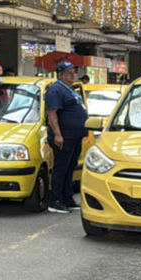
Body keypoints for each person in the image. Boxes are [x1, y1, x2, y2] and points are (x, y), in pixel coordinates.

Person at [45, 60, 87, 214]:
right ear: (60, 75)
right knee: (61, 168)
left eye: (73, 73)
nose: (72, 76)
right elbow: (52, 114)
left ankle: (67, 198)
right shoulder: (55, 90)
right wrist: (58, 134)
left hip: (75, 136)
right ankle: (56, 200)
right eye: (69, 73)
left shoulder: (69, 89)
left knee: (70, 167)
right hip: (64, 136)